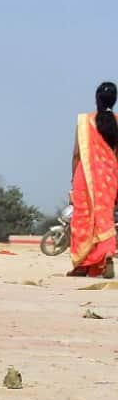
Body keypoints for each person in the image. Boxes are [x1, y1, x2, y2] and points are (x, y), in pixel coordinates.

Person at [68, 82, 118, 278]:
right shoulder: (117, 122)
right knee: (104, 217)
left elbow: (76, 154)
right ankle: (106, 255)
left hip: (85, 177)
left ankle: (82, 264)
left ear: (97, 98)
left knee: (82, 218)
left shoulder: (84, 121)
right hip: (109, 177)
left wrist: (73, 181)